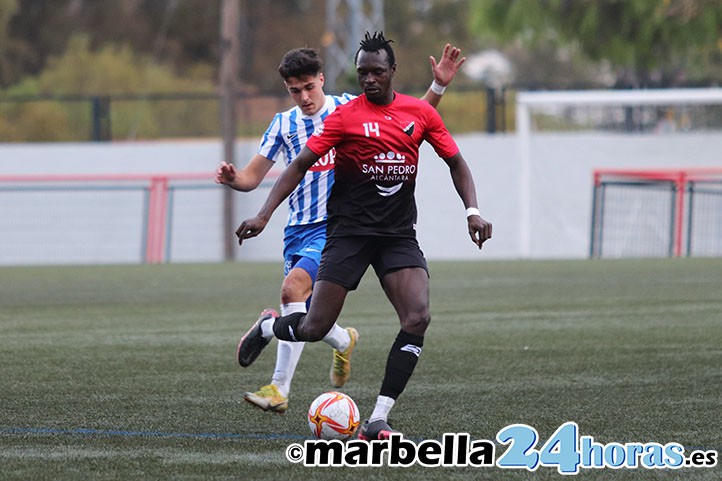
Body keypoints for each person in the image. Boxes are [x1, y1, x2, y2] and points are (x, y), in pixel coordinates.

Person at [235, 31, 492, 440]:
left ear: (391, 71)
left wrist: (473, 212)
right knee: (314, 327)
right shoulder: (343, 116)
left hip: (396, 236)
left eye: (376, 71)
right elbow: (299, 164)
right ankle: (269, 327)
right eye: (361, 73)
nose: (368, 79)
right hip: (348, 234)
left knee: (418, 316)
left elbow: (456, 163)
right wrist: (264, 214)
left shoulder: (418, 113)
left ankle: (377, 419)